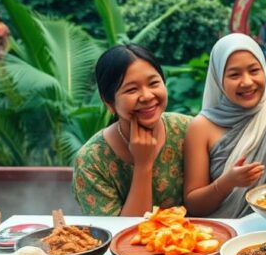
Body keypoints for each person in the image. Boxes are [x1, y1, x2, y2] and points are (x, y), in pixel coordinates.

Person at [184, 34, 266, 218]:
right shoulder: (201, 127)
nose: (247, 82)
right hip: (220, 234)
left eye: (254, 70)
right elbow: (194, 207)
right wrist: (227, 182)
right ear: (219, 79)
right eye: (234, 74)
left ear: (264, 70)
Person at [73, 45, 191, 216]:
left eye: (153, 83)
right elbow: (118, 235)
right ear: (109, 103)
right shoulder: (91, 161)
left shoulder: (187, 129)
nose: (147, 96)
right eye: (131, 89)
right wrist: (143, 165)